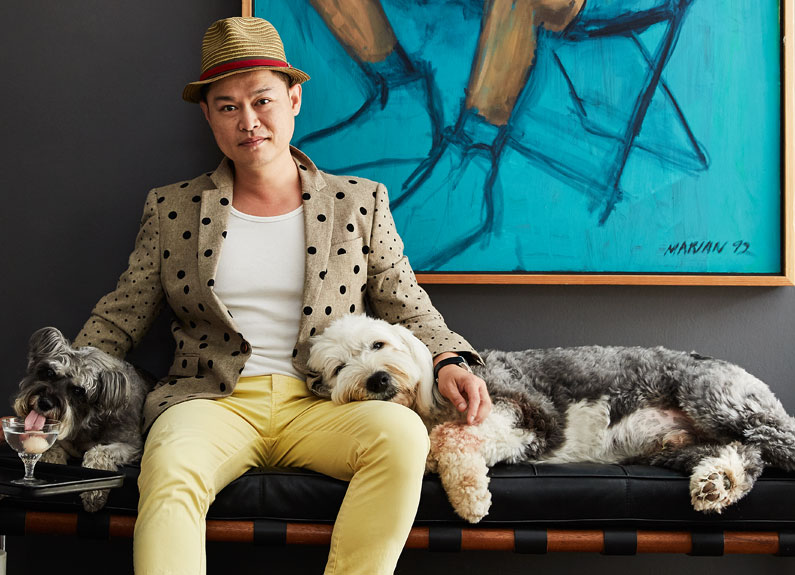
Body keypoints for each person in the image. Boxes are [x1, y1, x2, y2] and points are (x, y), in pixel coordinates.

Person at [71, 17, 491, 575]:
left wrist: (449, 359)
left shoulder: (359, 202)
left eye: (262, 100)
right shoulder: (172, 208)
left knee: (403, 437)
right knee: (169, 467)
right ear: (209, 116)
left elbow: (405, 303)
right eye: (227, 106)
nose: (248, 122)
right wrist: (61, 386)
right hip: (209, 402)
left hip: (324, 402)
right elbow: (120, 317)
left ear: (293, 99)